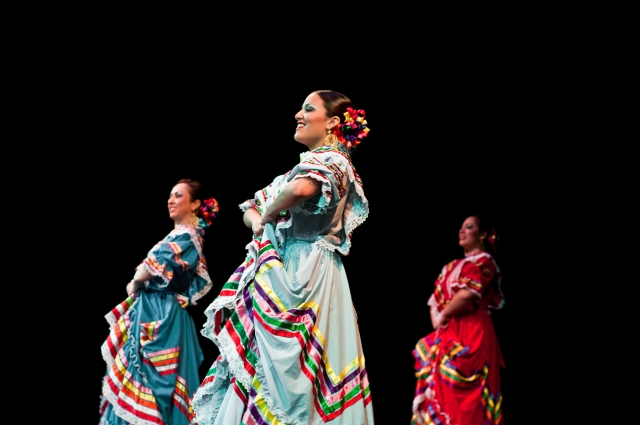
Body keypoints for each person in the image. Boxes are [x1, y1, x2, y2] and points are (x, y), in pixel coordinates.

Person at [191, 90, 375, 425]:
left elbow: (300, 191)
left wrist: (270, 213)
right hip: (285, 266)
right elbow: (250, 207)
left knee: (294, 370)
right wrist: (262, 220)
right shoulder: (303, 167)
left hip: (307, 271)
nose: (298, 115)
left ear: (333, 123)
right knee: (264, 360)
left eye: (308, 108)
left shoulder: (333, 162)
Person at [98, 179, 219, 425]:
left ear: (195, 204)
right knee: (139, 372)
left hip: (162, 313)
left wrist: (137, 281)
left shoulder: (189, 235)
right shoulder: (180, 234)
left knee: (156, 378)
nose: (170, 200)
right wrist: (138, 282)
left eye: (177, 196)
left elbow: (152, 269)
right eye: (170, 196)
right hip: (152, 308)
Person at [410, 215, 505, 425]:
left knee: (469, 395)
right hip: (449, 331)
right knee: (441, 389)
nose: (461, 231)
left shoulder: (484, 261)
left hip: (474, 330)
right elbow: (434, 302)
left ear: (482, 235)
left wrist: (444, 314)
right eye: (461, 228)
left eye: (469, 227)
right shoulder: (450, 267)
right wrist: (439, 318)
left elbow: (468, 294)